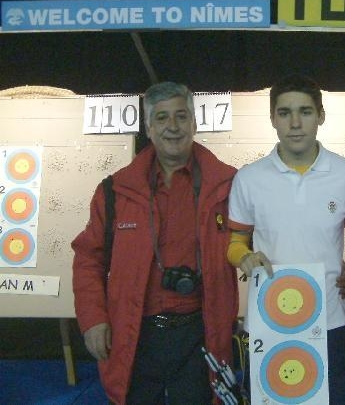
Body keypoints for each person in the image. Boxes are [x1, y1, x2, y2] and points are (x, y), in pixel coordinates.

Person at [72, 82, 238, 404]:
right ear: (148, 127)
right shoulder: (114, 191)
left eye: (181, 116)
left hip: (201, 334)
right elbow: (88, 259)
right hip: (134, 334)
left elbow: (265, 241)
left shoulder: (230, 186)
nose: (173, 127)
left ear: (194, 122)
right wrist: (93, 319)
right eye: (162, 118)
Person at [226, 74, 345, 404]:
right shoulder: (249, 178)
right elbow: (235, 242)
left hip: (331, 320)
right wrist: (242, 257)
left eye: (305, 111)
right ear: (273, 118)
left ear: (321, 116)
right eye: (285, 113)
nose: (295, 122)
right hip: (269, 323)